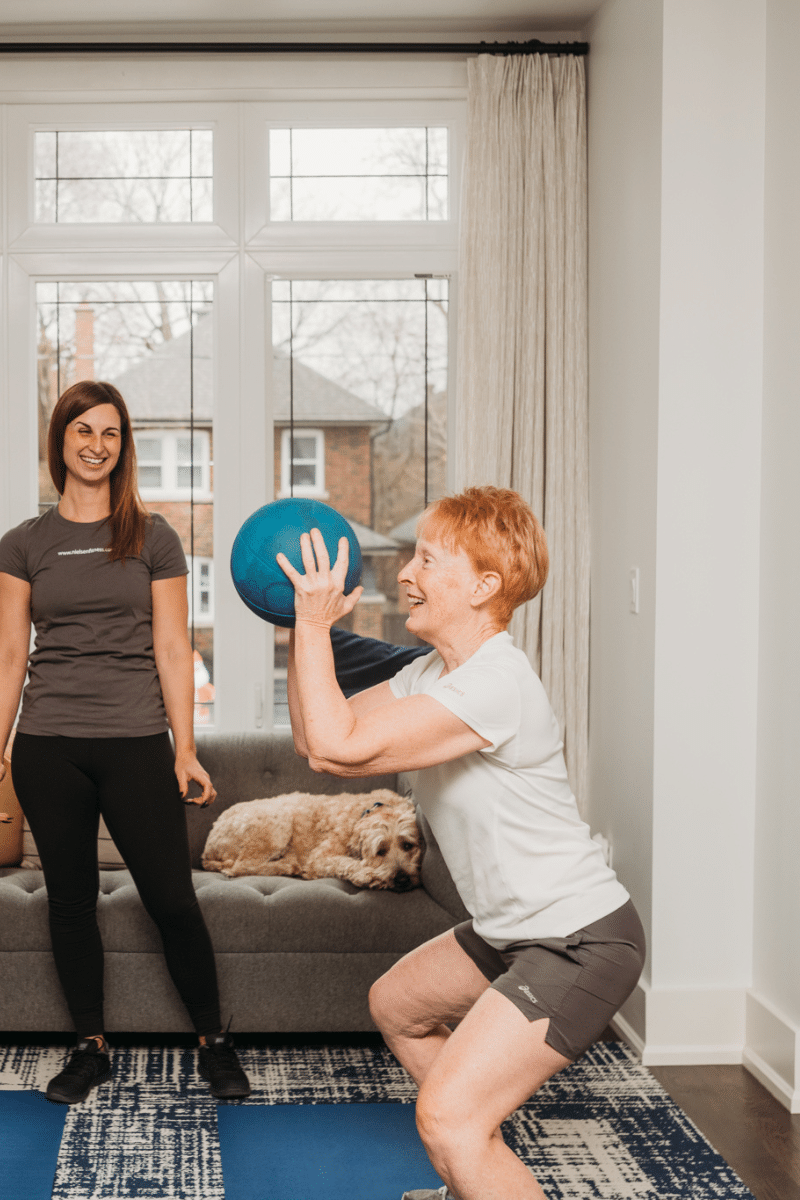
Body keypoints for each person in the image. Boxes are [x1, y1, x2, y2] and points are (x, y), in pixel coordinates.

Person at [279, 485, 645, 1200]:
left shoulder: (496, 683)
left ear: (485, 585)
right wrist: (301, 627)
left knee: (444, 1118)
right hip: (515, 930)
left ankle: (466, 1147)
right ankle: (478, 1174)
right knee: (398, 1006)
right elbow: (317, 747)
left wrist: (316, 624)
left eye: (426, 559)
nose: (405, 575)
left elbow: (334, 739)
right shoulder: (432, 673)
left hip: (580, 939)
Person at [0, 380, 250, 1106]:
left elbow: (173, 648)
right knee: (70, 902)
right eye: (83, 430)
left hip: (136, 740)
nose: (96, 444)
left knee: (171, 898)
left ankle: (213, 1040)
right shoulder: (23, 544)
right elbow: (11, 656)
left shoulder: (153, 535)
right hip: (49, 747)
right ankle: (90, 1047)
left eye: (110, 433)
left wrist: (184, 748)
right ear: (62, 441)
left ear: (122, 445)